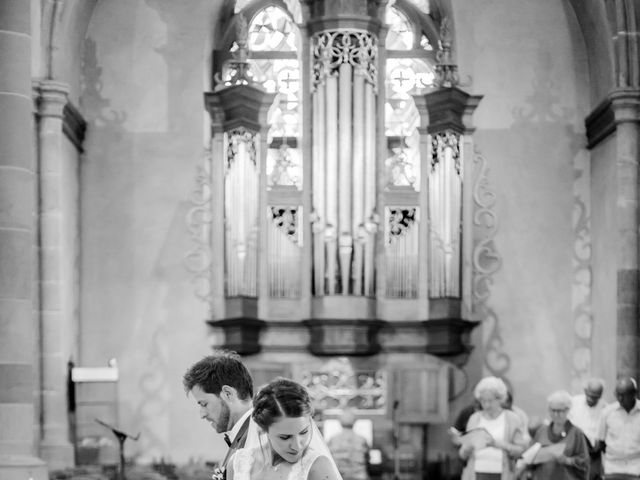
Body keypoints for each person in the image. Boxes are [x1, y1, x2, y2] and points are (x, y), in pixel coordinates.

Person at [227, 377, 342, 480]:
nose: (297, 446)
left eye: (304, 432)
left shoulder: (318, 467)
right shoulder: (238, 463)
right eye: (285, 437)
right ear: (263, 429)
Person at [182, 351, 258, 478]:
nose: (202, 414)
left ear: (228, 394)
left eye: (204, 404)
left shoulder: (259, 436)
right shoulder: (245, 433)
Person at [459, 376, 528, 480]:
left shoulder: (512, 419)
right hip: (476, 473)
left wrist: (499, 444)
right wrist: (467, 447)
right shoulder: (474, 418)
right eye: (483, 401)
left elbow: (521, 450)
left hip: (502, 473)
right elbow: (462, 454)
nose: (487, 405)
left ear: (500, 399)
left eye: (490, 400)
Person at [526, 390, 589, 480]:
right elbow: (529, 456)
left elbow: (585, 462)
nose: (556, 414)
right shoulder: (542, 431)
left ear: (567, 410)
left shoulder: (576, 433)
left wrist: (567, 460)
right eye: (553, 410)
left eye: (559, 411)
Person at [596, 377, 640, 479]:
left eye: (624, 395)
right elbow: (601, 442)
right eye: (617, 394)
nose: (620, 398)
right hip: (613, 467)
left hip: (637, 467)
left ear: (634, 394)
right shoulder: (607, 412)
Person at [568, 378, 608, 480]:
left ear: (600, 396)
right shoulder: (574, 402)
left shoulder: (606, 409)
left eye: (595, 397)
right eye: (589, 395)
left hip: (593, 454)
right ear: (585, 391)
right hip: (575, 450)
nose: (591, 399)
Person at [327, 409, 370, 480]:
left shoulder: (332, 440)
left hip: (338, 477)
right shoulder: (362, 440)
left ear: (340, 422)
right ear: (355, 421)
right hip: (359, 477)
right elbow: (367, 459)